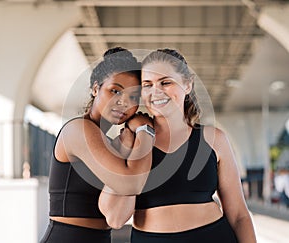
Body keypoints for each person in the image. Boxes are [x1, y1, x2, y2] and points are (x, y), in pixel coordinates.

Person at [99, 48, 257, 243]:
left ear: (188, 84)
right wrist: (142, 137)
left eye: (165, 82)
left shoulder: (213, 139)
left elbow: (239, 215)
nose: (156, 91)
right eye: (147, 85)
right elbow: (115, 218)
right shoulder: (130, 141)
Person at [40, 47, 154, 243]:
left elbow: (116, 217)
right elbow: (131, 183)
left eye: (133, 97)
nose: (123, 102)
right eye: (115, 91)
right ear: (95, 88)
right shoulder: (78, 130)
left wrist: (126, 145)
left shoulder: (109, 143)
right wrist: (146, 132)